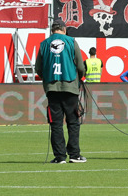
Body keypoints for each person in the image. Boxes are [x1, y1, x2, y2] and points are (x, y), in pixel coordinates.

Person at [34, 20, 86, 164]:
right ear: (64, 29)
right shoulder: (71, 41)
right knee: (73, 122)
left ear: (52, 30)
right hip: (70, 88)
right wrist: (80, 77)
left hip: (52, 88)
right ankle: (75, 155)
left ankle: (60, 157)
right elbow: (80, 65)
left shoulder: (44, 44)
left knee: (56, 124)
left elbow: (38, 67)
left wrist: (48, 78)